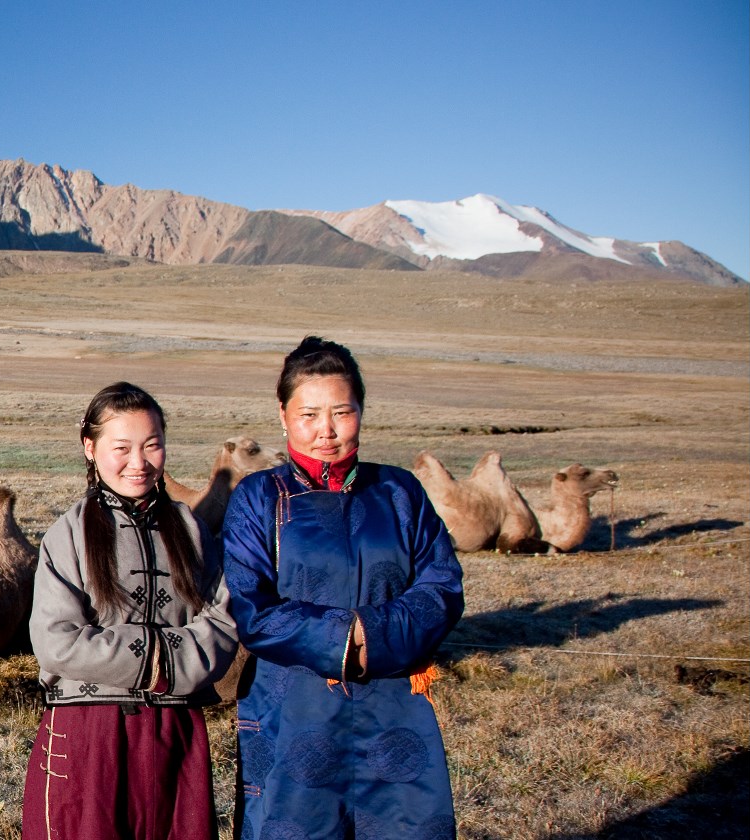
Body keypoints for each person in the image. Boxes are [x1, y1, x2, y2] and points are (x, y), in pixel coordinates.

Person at [223, 336, 464, 839]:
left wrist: (371, 633)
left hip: (394, 702)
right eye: (309, 415)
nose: (326, 431)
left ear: (361, 412)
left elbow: (441, 587)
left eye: (342, 413)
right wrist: (340, 638)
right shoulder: (259, 498)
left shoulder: (399, 491)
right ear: (283, 415)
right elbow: (252, 607)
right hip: (295, 706)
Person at [24, 382, 240, 840]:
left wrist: (168, 663)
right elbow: (55, 641)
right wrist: (156, 657)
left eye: (152, 445)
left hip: (176, 729)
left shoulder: (191, 530)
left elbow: (223, 620)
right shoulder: (67, 534)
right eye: (121, 448)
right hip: (89, 734)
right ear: (90, 447)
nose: (138, 463)